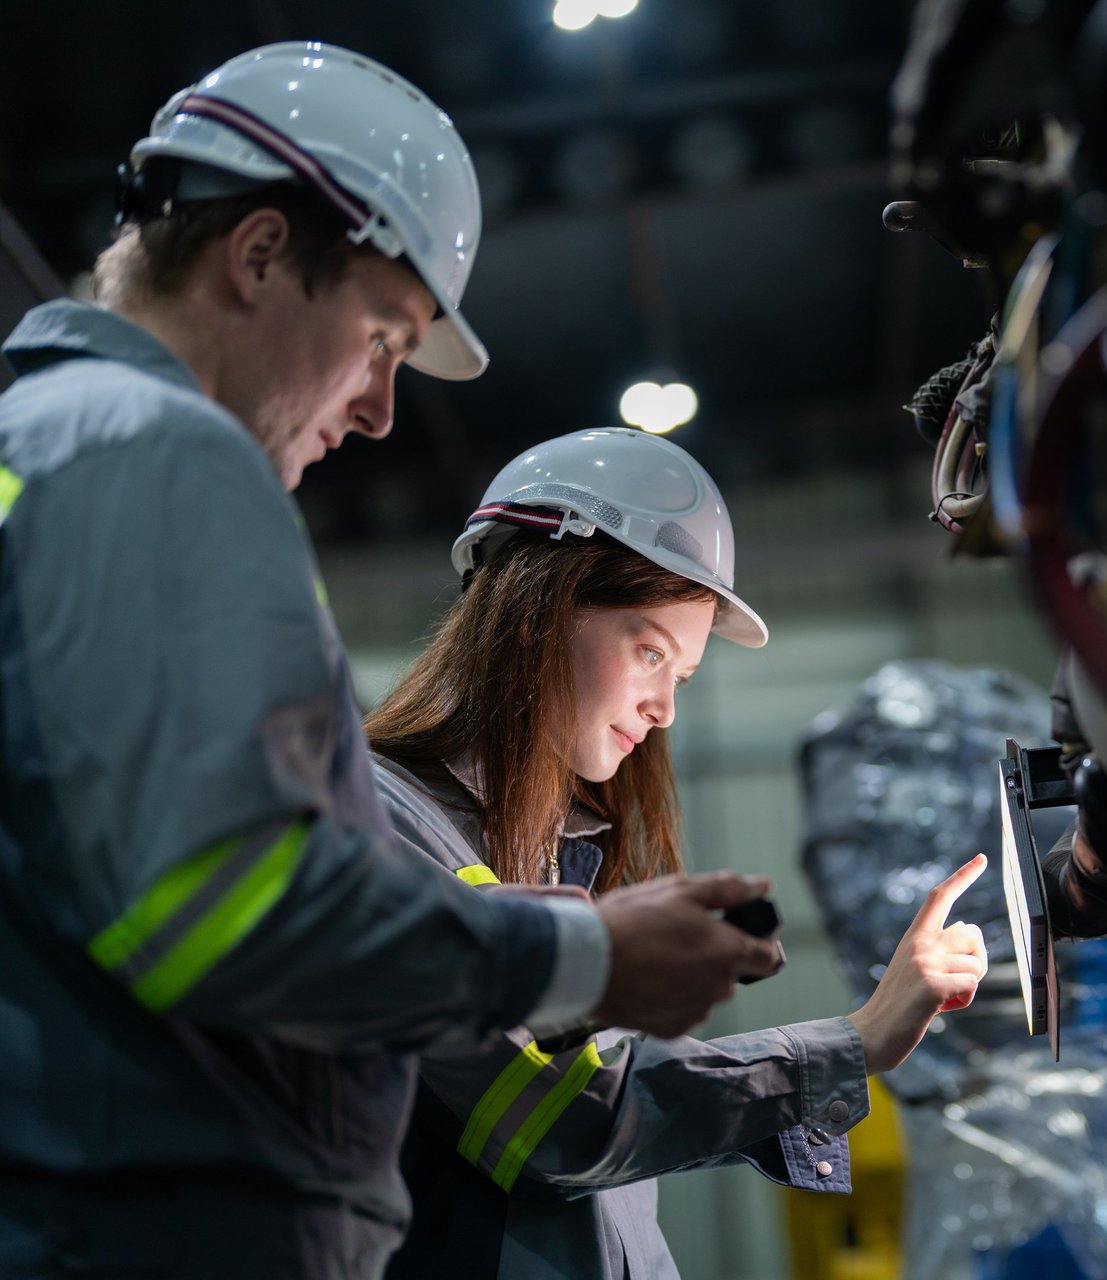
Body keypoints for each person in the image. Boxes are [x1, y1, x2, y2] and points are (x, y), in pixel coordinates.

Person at [0, 44, 779, 1278]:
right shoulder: (156, 455)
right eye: (382, 338)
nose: (380, 410)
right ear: (257, 256)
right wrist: (589, 956)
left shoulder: (41, 451)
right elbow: (223, 905)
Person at [365, 426, 990, 1279]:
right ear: (538, 605)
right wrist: (858, 1040)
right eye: (649, 649)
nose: (663, 708)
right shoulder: (379, 821)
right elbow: (567, 1121)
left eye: (681, 676)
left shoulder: (560, 862)